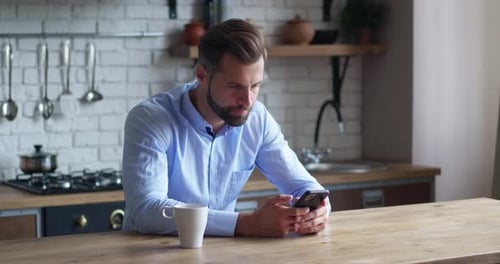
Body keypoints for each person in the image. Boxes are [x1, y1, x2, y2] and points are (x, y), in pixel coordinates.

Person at [122, 18, 331, 237]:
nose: (247, 100)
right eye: (235, 87)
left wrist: (318, 211)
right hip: (151, 253)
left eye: (255, 86)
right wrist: (247, 223)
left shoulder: (257, 119)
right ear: (202, 75)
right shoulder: (149, 119)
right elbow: (146, 210)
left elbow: (305, 187)